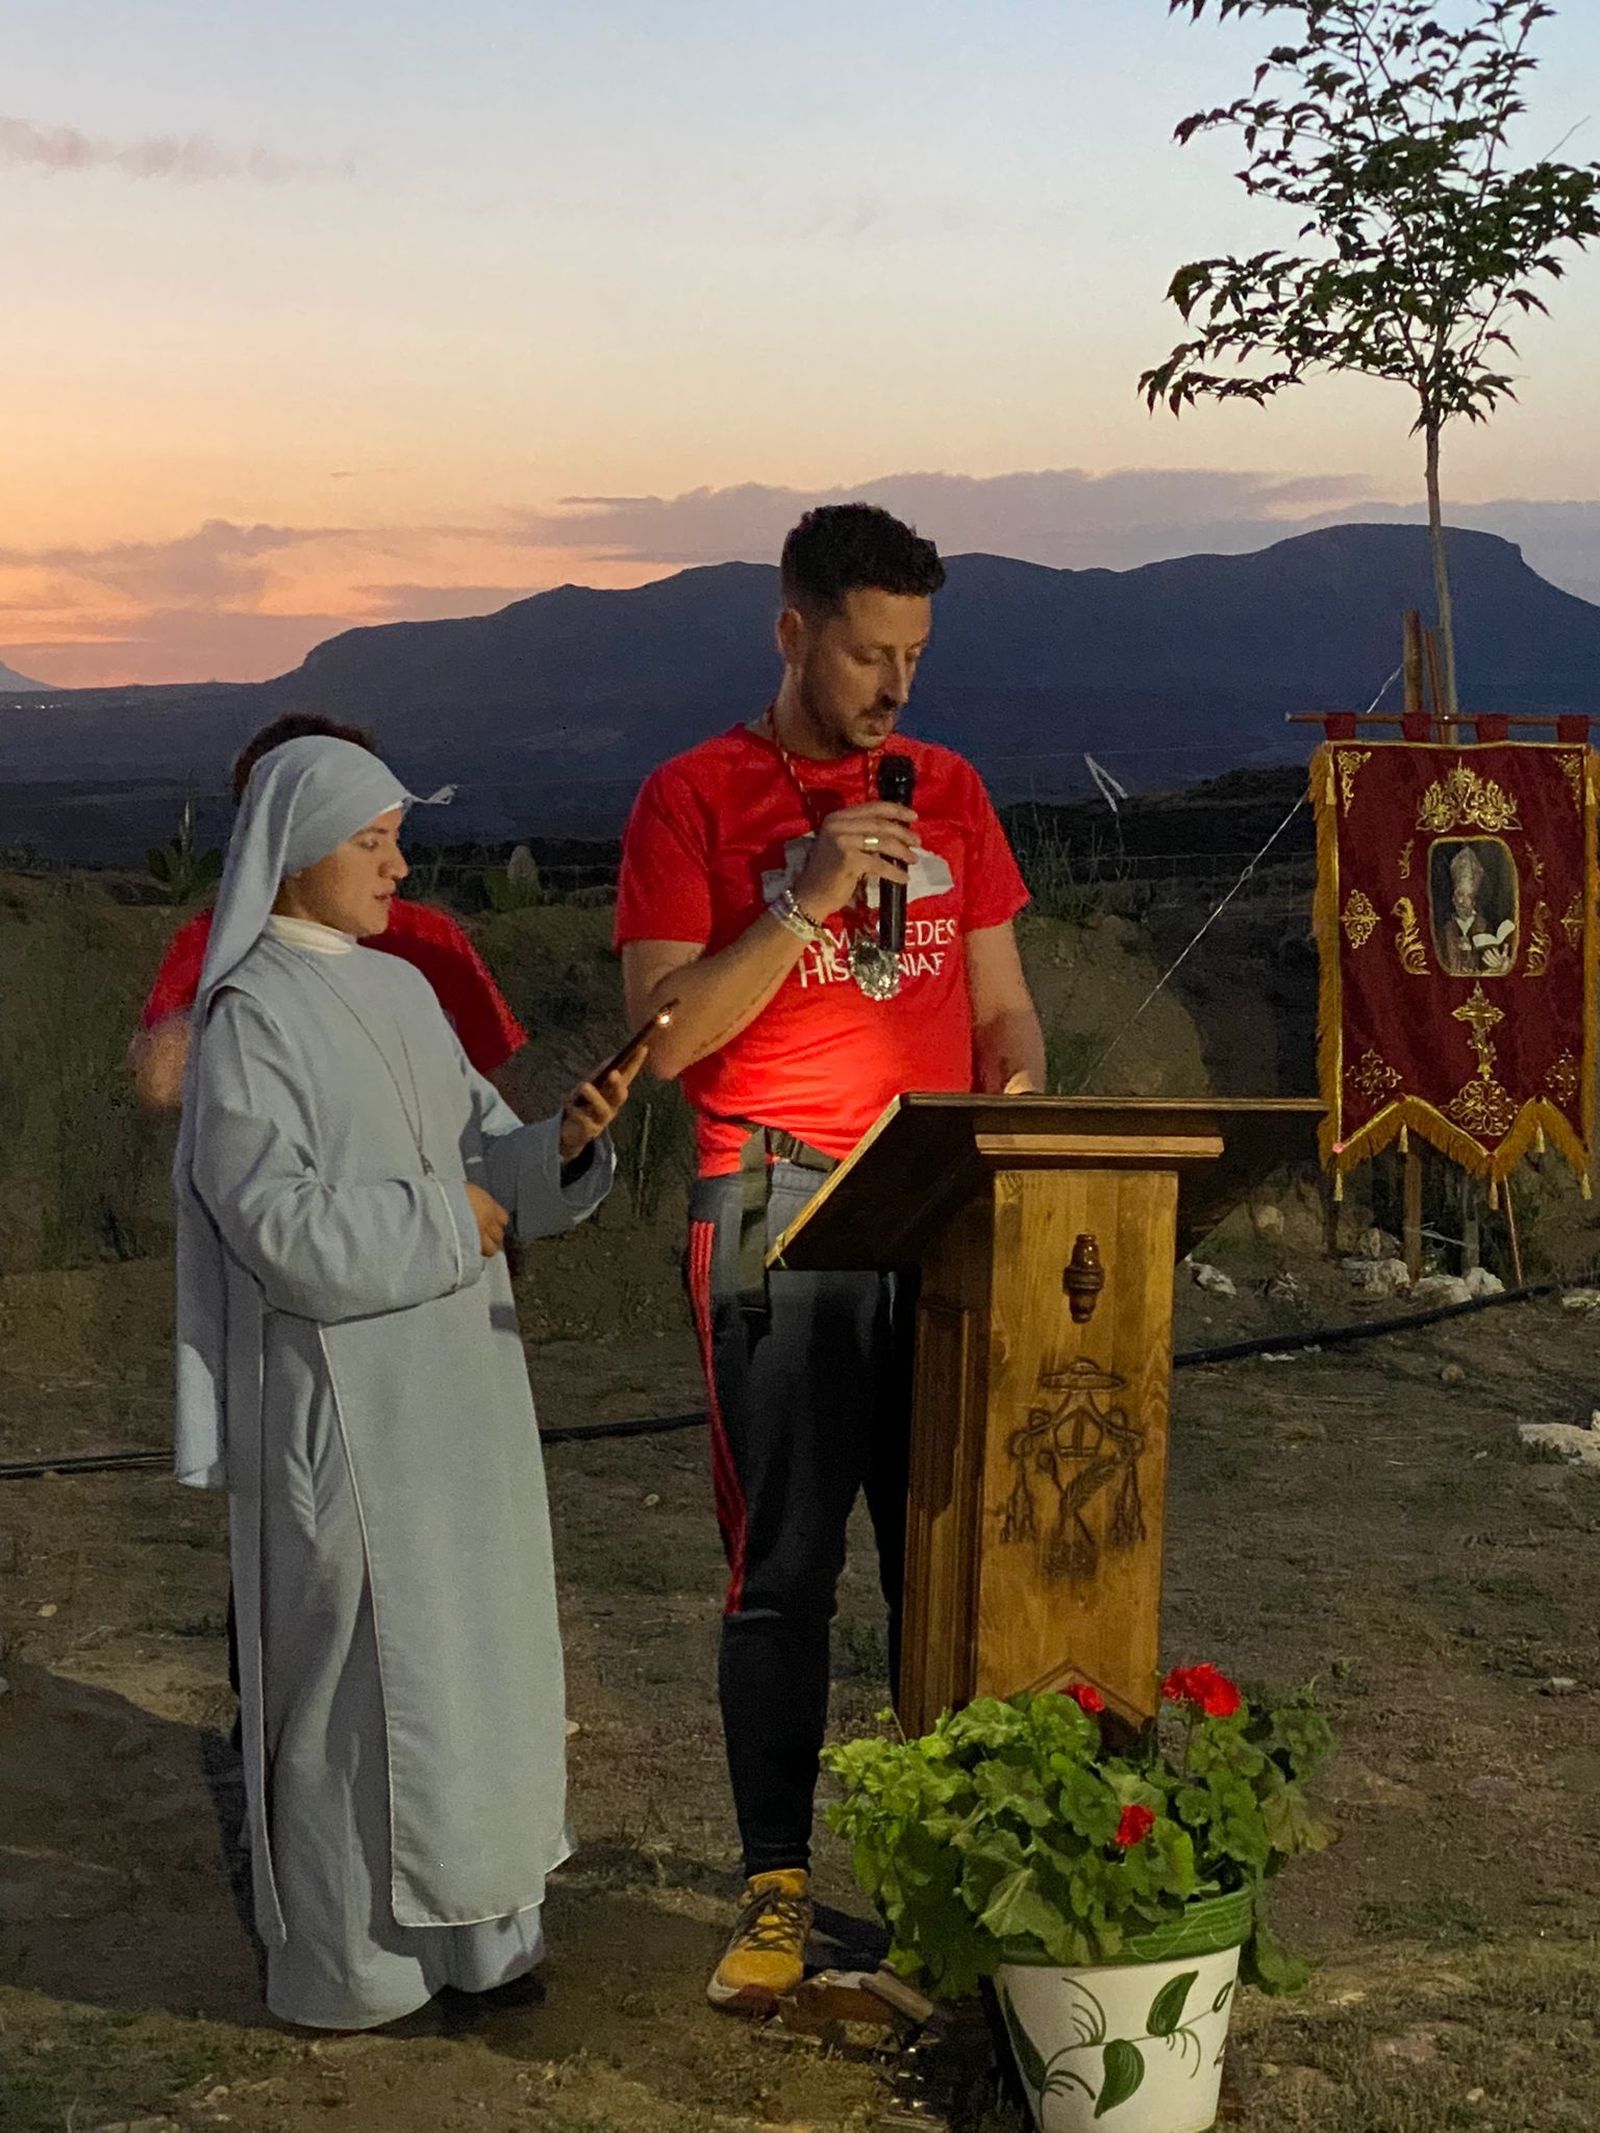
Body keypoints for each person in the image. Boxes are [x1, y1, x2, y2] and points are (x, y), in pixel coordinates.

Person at [614, 503, 1045, 2014]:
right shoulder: (692, 799)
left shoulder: (957, 792)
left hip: (930, 1203)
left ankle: (945, 1887)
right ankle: (777, 1891)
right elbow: (664, 1043)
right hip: (776, 1206)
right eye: (869, 652)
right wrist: (800, 896)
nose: (896, 687)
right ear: (791, 631)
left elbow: (1004, 1010)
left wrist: (1017, 1093)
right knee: (787, 1566)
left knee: (946, 1558)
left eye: (916, 655)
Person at [176, 733, 635, 2031]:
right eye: (372, 839)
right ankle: (358, 1966)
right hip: (342, 1404)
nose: (400, 860)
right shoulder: (250, 1018)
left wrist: (566, 1147)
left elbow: (491, 1156)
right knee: (358, 1685)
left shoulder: (403, 994)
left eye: (396, 835)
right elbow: (276, 1225)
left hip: (458, 1397)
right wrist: (457, 1214)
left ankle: (487, 1943)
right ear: (298, 846)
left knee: (474, 1660)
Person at [130, 713, 527, 1112]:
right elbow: (159, 1083)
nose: (398, 867)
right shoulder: (215, 940)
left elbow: (494, 1093)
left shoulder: (430, 937)